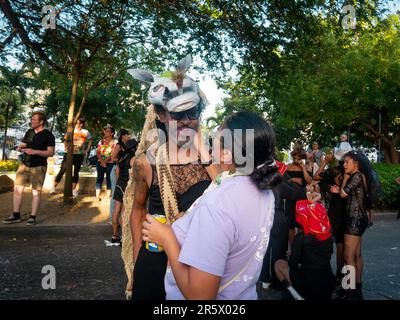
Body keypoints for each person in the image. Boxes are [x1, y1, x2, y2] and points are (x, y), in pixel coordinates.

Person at [142, 111, 282, 299]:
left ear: (226, 153)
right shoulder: (263, 191)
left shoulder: (217, 204)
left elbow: (200, 297)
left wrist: (167, 238)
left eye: (216, 135)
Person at [128, 54, 220, 300]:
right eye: (177, 115)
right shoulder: (144, 163)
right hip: (154, 263)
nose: (186, 121)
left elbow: (225, 193)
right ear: (161, 115)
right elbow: (137, 210)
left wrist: (201, 147)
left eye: (192, 113)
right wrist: (138, 258)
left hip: (197, 264)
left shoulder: (212, 160)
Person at [330, 150, 379, 300]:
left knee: (348, 256)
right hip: (359, 219)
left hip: (354, 220)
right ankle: (357, 289)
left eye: (347, 162)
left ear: (356, 163)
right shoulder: (360, 176)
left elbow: (344, 193)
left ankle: (349, 291)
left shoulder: (356, 175)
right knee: (356, 255)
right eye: (344, 162)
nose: (344, 165)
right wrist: (341, 190)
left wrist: (337, 190)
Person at [274, 196, 335, 300]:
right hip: (327, 285)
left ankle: (297, 295)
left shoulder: (301, 238)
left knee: (278, 264)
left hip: (308, 285)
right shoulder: (328, 235)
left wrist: (292, 255)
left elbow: (293, 264)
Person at [259, 161, 307, 290]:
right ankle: (276, 279)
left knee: (264, 248)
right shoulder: (277, 182)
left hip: (261, 218)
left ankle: (264, 278)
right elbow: (296, 194)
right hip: (277, 217)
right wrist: (307, 189)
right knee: (278, 248)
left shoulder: (258, 181)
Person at [2, 111, 55, 225]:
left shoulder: (49, 135)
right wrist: (21, 146)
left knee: (36, 192)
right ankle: (16, 215)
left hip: (38, 167)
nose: (31, 121)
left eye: (34, 120)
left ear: (41, 122)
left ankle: (32, 217)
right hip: (24, 165)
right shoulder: (29, 132)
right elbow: (26, 144)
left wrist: (35, 151)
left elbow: (51, 152)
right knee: (17, 189)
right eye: (32, 119)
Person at [313, 151, 347, 287]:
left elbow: (316, 176)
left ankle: (343, 279)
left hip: (343, 212)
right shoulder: (338, 172)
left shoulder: (338, 172)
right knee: (343, 247)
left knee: (344, 248)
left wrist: (325, 161)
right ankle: (342, 278)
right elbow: (316, 177)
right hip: (339, 211)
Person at [51, 117, 92, 196]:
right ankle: (53, 187)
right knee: (63, 169)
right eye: (75, 123)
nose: (76, 125)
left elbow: (90, 139)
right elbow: (65, 140)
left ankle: (73, 190)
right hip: (69, 154)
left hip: (79, 154)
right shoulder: (71, 131)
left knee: (76, 171)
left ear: (81, 124)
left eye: (77, 123)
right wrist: (65, 148)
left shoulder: (85, 132)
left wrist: (87, 149)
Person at [110, 131, 138, 245]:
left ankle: (115, 236)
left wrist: (119, 181)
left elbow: (117, 172)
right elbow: (135, 176)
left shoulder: (121, 157)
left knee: (116, 210)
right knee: (124, 212)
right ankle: (124, 237)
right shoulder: (133, 159)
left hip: (119, 183)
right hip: (127, 185)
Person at [285, 147, 313, 246]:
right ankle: (292, 249)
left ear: (302, 158)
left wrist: (304, 169)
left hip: (302, 198)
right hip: (290, 198)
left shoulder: (307, 167)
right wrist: (293, 179)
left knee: (302, 225)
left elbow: (309, 181)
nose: (296, 161)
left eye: (299, 158)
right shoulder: (287, 167)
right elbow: (283, 182)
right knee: (290, 225)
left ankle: (300, 249)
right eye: (295, 158)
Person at [95, 126, 117, 201]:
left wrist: (105, 161)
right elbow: (97, 152)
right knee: (99, 178)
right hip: (100, 163)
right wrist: (101, 161)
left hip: (110, 163)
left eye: (108, 131)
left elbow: (113, 154)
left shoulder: (115, 142)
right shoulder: (101, 141)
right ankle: (97, 196)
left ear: (112, 133)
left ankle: (108, 197)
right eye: (105, 131)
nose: (106, 132)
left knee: (109, 179)